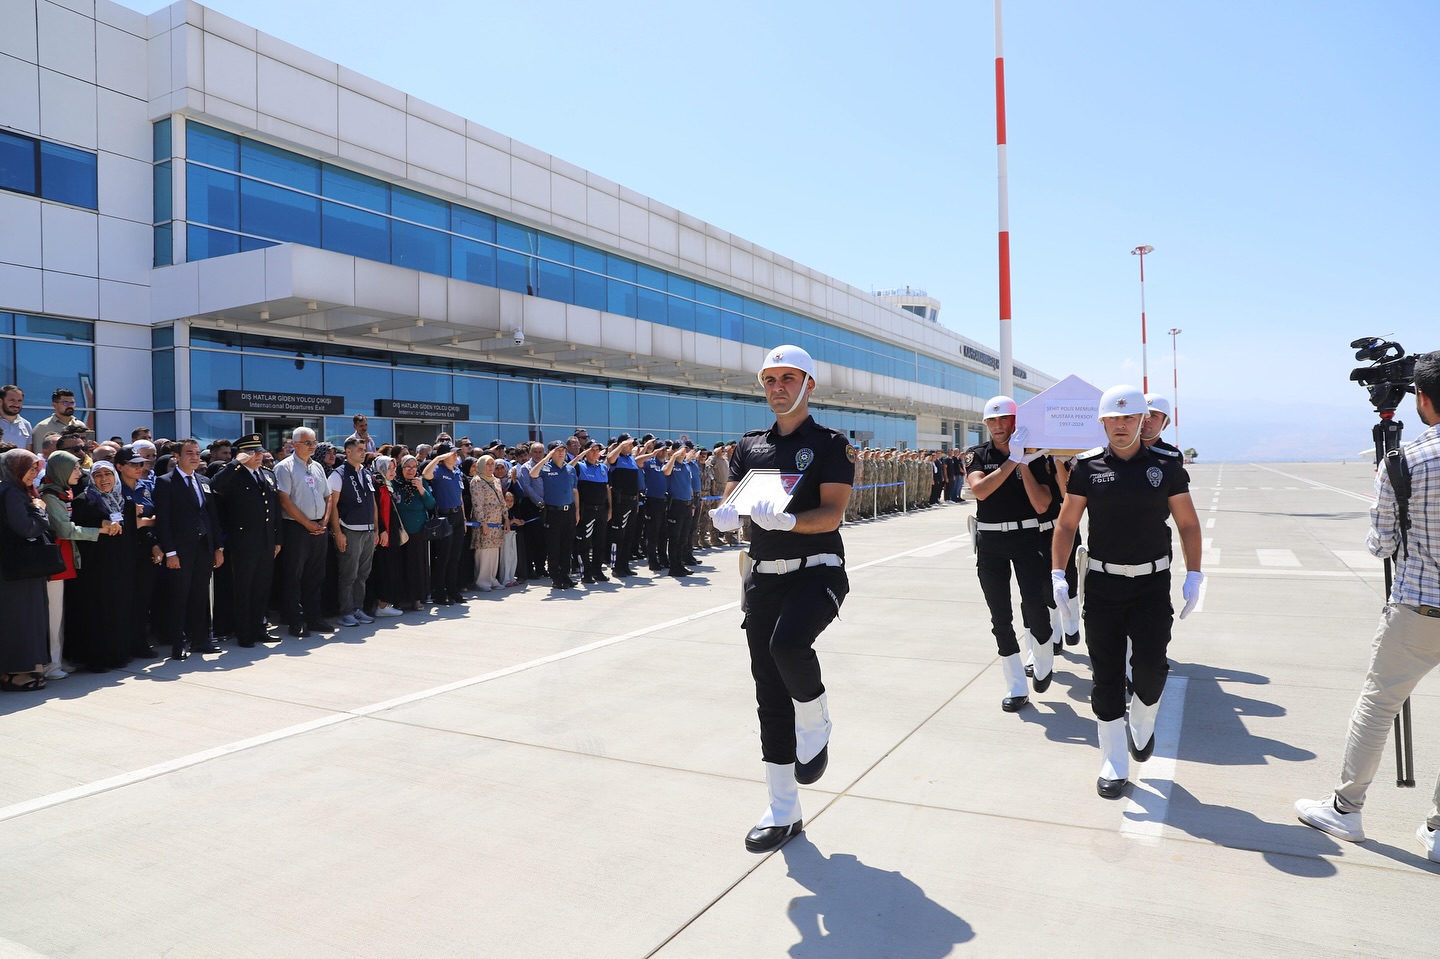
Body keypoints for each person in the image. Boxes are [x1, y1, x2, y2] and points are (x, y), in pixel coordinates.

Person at [708, 345, 855, 853]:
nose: (777, 387)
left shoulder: (831, 444)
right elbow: (731, 499)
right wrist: (724, 516)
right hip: (764, 577)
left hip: (818, 572)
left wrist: (792, 520)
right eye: (769, 379)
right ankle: (782, 809)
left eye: (788, 378)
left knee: (788, 646)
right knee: (768, 692)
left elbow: (833, 514)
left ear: (809, 384)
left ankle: (816, 717)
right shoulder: (749, 447)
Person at [1296, 351, 1440, 861]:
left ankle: (1346, 807)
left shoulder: (1403, 461)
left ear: (1421, 399)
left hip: (1418, 607)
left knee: (1378, 706)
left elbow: (1380, 545)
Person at [1051, 384, 1202, 799]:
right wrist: (1058, 573)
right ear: (1102, 422)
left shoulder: (1166, 466)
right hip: (1102, 583)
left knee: (1152, 669)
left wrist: (1195, 574)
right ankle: (1113, 761)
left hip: (1152, 584)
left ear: (1142, 421)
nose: (1120, 425)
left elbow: (1188, 523)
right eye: (1113, 419)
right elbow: (1066, 524)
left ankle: (1143, 720)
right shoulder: (1086, 468)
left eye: (1128, 418)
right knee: (1106, 674)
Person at [964, 396, 1056, 712]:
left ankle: (1043, 657)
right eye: (992, 420)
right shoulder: (976, 455)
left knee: (1035, 604)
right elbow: (980, 490)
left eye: (1004, 419)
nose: (998, 426)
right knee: (1000, 616)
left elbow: (1043, 504)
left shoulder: (1036, 457)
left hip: (1027, 537)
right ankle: (1016, 685)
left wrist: (1024, 463)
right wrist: (1011, 462)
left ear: (1016, 421)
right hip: (990, 543)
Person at [39, 450, 115, 678]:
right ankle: (51, 664)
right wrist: (99, 530)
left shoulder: (64, 492)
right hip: (55, 560)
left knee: (61, 613)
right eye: (73, 468)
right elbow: (64, 529)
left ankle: (59, 658)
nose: (78, 472)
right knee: (54, 614)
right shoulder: (50, 496)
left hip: (66, 557)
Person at [153, 439, 225, 661]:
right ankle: (178, 643)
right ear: (177, 456)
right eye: (189, 453)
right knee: (179, 597)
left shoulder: (203, 481)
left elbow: (212, 516)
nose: (195, 457)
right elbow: (163, 521)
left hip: (204, 546)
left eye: (196, 453)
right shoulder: (165, 482)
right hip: (180, 550)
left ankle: (201, 639)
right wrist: (171, 552)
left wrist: (218, 547)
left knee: (201, 595)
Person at [209, 434, 282, 647]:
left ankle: (259, 627)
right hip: (244, 541)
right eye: (252, 452)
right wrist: (235, 463)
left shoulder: (267, 474)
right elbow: (215, 486)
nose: (258, 456)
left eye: (259, 451)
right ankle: (244, 632)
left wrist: (278, 538)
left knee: (261, 587)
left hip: (266, 540)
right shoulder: (233, 474)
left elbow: (275, 509)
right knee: (244, 587)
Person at [68, 461, 137, 670]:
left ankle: (118, 654)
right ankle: (97, 659)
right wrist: (102, 525)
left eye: (108, 474)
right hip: (95, 566)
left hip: (121, 565)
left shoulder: (124, 500)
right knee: (97, 611)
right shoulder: (84, 501)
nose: (104, 479)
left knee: (119, 609)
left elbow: (131, 535)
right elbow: (80, 531)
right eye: (98, 475)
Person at [273, 426, 336, 637]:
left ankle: (314, 617)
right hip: (296, 528)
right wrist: (307, 523)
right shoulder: (285, 467)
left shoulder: (317, 466)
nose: (312, 446)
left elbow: (328, 496)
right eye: (308, 443)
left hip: (319, 527)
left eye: (314, 442)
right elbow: (284, 500)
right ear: (295, 444)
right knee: (294, 576)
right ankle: (295, 620)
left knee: (315, 575)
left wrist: (324, 520)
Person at [0, 449, 52, 690]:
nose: (35, 473)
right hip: (18, 570)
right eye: (29, 468)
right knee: (20, 619)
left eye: (36, 468)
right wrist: (40, 510)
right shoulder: (11, 492)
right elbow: (26, 528)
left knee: (20, 618)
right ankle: (15, 673)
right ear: (14, 469)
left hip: (17, 568)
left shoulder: (14, 490)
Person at [329, 436, 379, 627]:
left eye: (364, 448)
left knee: (363, 574)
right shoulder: (338, 474)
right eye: (359, 449)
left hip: (367, 531)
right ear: (348, 452)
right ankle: (345, 612)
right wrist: (338, 533)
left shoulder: (366, 473)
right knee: (348, 574)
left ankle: (357, 609)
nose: (363, 451)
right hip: (349, 530)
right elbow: (333, 506)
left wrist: (375, 529)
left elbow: (372, 503)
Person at [530, 441, 579, 589]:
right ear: (551, 452)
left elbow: (575, 490)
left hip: (569, 511)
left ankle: (565, 574)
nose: (561, 453)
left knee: (567, 546)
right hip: (553, 513)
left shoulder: (570, 469)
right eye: (557, 450)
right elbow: (533, 474)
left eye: (563, 450)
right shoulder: (545, 468)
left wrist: (577, 511)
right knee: (554, 547)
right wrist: (546, 458)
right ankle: (556, 577)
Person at [422, 441, 467, 605]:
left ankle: (452, 590)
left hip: (456, 516)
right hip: (444, 518)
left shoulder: (457, 472)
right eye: (452, 453)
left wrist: (463, 518)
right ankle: (439, 593)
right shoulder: (438, 470)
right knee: (443, 557)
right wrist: (438, 458)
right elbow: (425, 474)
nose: (456, 456)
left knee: (455, 557)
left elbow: (460, 496)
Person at [391, 455, 435, 611]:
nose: (410, 470)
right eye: (407, 467)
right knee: (399, 565)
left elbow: (431, 504)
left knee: (416, 565)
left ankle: (416, 598)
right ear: (400, 468)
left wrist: (421, 489)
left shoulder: (421, 482)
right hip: (399, 530)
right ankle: (399, 599)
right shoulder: (394, 483)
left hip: (417, 530)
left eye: (413, 467)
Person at [366, 455, 405, 617]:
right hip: (384, 535)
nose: (393, 471)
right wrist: (381, 530)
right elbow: (377, 511)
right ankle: (382, 605)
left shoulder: (388, 485)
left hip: (391, 533)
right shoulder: (377, 485)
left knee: (391, 568)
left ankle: (386, 602)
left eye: (394, 468)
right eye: (389, 468)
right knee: (384, 569)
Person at [573, 442, 611, 584]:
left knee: (600, 542)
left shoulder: (603, 468)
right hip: (587, 510)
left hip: (601, 510)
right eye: (592, 450)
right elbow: (569, 467)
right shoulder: (580, 466)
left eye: (597, 450)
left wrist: (610, 508)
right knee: (585, 543)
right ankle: (586, 573)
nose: (595, 453)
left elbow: (607, 489)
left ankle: (597, 570)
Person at [469, 454, 507, 591]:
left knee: (494, 551)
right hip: (484, 522)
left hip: (497, 522)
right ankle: (482, 580)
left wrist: (506, 518)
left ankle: (492, 578)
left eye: (492, 464)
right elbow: (477, 502)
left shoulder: (496, 480)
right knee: (484, 551)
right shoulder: (477, 481)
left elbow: (502, 500)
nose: (491, 467)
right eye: (487, 464)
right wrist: (483, 522)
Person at [31, 388, 87, 453]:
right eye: (65, 403)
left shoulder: (80, 425)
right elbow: (40, 454)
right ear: (54, 405)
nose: (70, 406)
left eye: (72, 403)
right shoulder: (43, 427)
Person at [0, 385, 32, 450]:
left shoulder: (26, 425)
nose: (16, 404)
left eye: (19, 400)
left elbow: (29, 452)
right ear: (0, 401)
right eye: (12, 400)